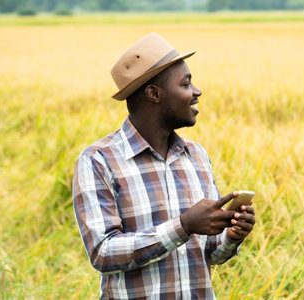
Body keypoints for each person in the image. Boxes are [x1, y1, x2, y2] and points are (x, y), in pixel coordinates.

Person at [72, 32, 256, 300]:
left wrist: (232, 235)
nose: (197, 91)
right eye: (186, 84)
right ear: (154, 93)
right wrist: (183, 225)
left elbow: (212, 254)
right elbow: (103, 254)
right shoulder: (99, 160)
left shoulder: (196, 156)